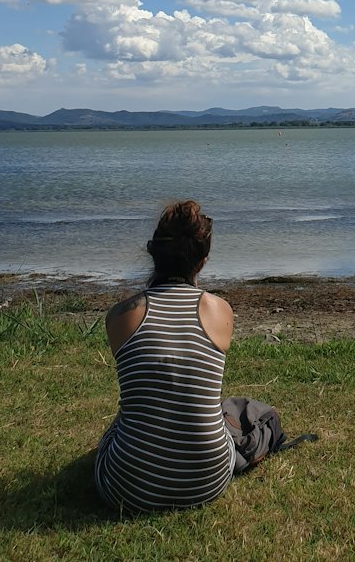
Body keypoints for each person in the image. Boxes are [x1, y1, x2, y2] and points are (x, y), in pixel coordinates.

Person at [94, 200, 237, 512]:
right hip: (208, 480)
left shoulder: (120, 316)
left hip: (126, 488)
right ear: (202, 261)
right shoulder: (220, 311)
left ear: (154, 253)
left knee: (122, 421)